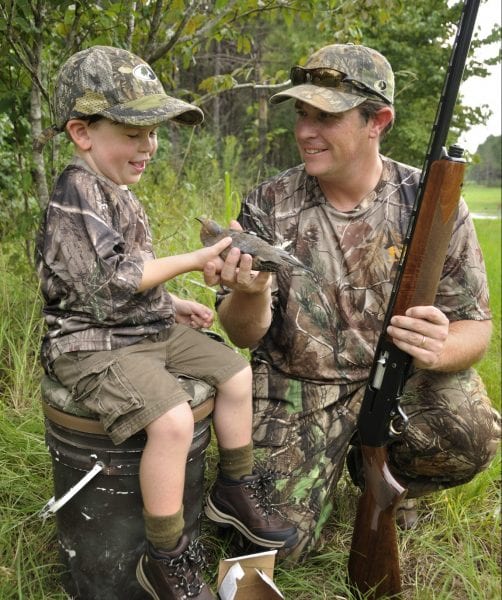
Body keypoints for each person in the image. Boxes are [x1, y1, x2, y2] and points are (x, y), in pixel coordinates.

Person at [203, 43, 501, 562]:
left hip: (396, 383)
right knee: (276, 548)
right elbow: (244, 334)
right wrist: (250, 294)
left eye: (327, 116)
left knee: (468, 431)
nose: (304, 131)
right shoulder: (268, 204)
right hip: (296, 386)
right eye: (301, 113)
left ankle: (385, 483)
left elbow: (476, 328)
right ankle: (328, 477)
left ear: (377, 121)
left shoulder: (430, 202)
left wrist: (437, 348)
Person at [34, 45, 297, 600]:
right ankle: (165, 555)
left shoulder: (117, 193)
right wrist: (197, 259)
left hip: (141, 329)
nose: (148, 145)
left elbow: (132, 279)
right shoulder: (74, 192)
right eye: (134, 132)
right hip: (90, 344)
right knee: (174, 420)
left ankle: (235, 488)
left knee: (233, 372)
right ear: (82, 133)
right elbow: (107, 284)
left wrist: (173, 303)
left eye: (154, 133)